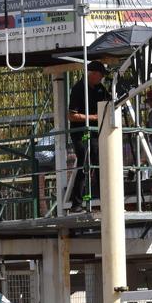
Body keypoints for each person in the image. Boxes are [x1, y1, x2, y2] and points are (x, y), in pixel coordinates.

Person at [67, 60, 111, 210]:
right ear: (92, 74)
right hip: (81, 133)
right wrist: (94, 117)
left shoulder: (100, 88)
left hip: (95, 133)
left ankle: (103, 197)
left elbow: (110, 101)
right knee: (85, 162)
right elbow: (72, 116)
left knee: (98, 162)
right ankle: (77, 202)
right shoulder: (79, 88)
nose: (101, 78)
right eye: (100, 75)